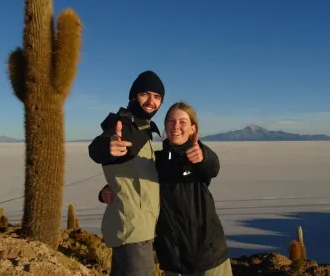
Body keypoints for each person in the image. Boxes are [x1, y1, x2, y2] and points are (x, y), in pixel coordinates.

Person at [99, 101, 232, 276]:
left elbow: (213, 167)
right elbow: (135, 182)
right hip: (172, 261)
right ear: (165, 126)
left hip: (208, 259)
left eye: (183, 122)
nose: (176, 126)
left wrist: (203, 155)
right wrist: (107, 191)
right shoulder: (156, 162)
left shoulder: (196, 158)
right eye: (170, 121)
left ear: (193, 128)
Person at [87, 70, 165, 276]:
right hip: (133, 231)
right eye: (145, 94)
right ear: (133, 96)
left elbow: (130, 172)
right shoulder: (123, 125)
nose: (151, 101)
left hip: (137, 227)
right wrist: (107, 146)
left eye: (157, 97)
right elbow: (97, 148)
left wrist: (110, 187)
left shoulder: (144, 129)